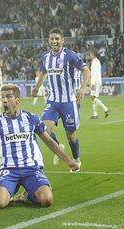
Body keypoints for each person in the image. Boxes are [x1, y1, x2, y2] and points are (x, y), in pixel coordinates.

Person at [0, 84, 79, 209]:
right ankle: (10, 192)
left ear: (17, 100)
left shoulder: (31, 118)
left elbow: (49, 141)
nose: (5, 100)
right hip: (9, 171)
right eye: (3, 97)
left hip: (31, 169)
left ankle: (27, 195)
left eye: (9, 97)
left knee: (47, 200)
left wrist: (68, 161)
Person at [32, 27, 90, 172]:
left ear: (62, 40)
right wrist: (36, 87)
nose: (54, 41)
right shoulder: (45, 57)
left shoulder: (69, 55)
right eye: (52, 39)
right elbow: (43, 73)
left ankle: (76, 159)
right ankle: (58, 147)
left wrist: (83, 88)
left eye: (57, 39)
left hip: (69, 101)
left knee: (71, 135)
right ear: (49, 40)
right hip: (52, 101)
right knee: (43, 129)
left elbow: (86, 70)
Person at [89, 48, 110, 119]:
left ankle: (106, 109)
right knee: (94, 98)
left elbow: (95, 74)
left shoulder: (95, 62)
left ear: (93, 54)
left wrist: (93, 84)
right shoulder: (96, 62)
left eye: (90, 54)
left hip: (95, 82)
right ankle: (95, 114)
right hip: (96, 82)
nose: (89, 55)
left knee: (93, 98)